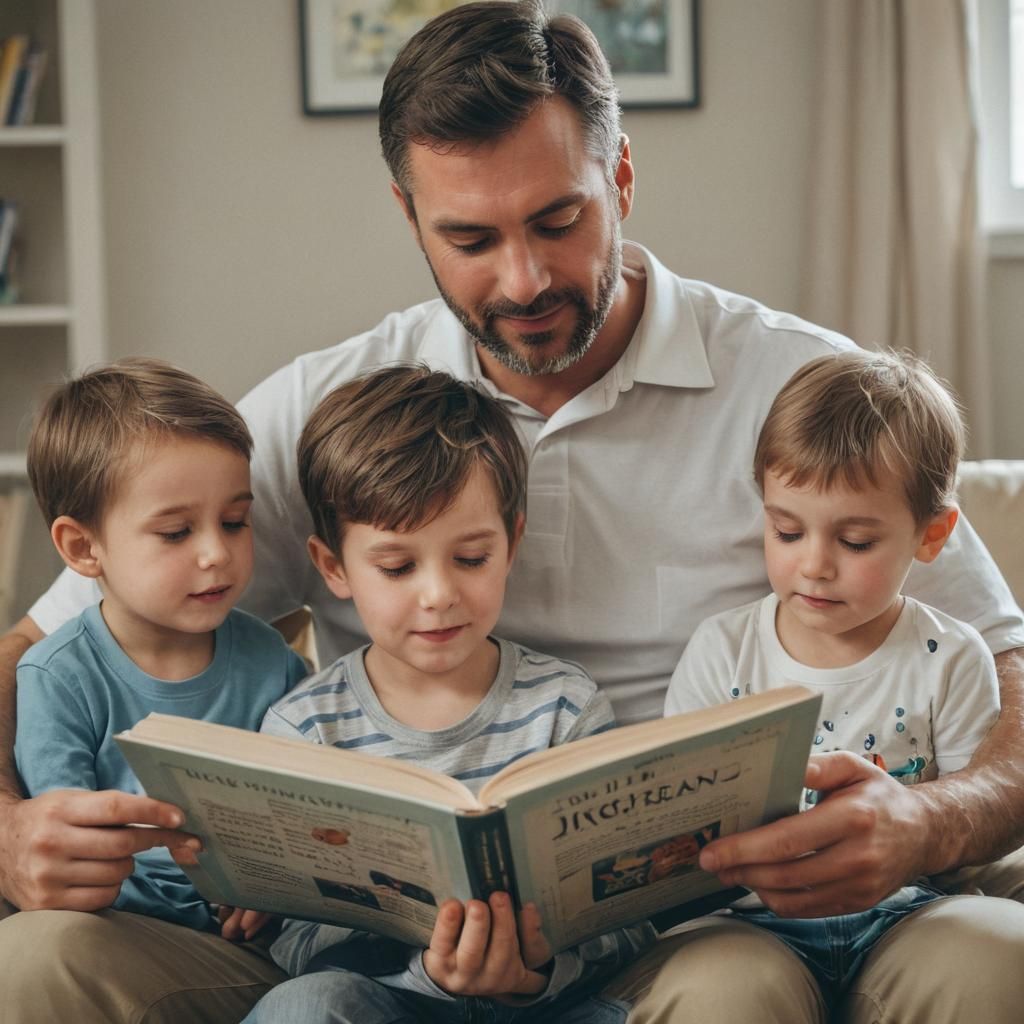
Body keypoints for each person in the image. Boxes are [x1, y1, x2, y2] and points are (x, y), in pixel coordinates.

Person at [1, 1, 1023, 1020]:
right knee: (35, 963)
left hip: (692, 926)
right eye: (469, 237)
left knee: (943, 960)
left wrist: (929, 821)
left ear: (619, 176)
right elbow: (37, 647)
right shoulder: (332, 410)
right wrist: (9, 831)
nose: (523, 278)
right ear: (408, 216)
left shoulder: (804, 390)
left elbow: (1002, 665)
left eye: (556, 220)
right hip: (381, 946)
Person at [241, 364, 652, 1023]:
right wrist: (426, 972)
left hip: (543, 1005)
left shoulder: (566, 709)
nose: (438, 595)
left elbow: (628, 916)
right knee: (306, 1005)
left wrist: (536, 966)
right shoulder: (306, 729)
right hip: (386, 1001)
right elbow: (289, 937)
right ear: (333, 568)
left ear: (512, 544)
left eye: (470, 558)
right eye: (398, 566)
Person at [664, 349, 1006, 1008]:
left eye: (854, 543)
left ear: (931, 535)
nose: (814, 566)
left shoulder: (952, 657)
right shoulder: (723, 651)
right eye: (787, 531)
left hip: (908, 915)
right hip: (748, 921)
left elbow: (964, 845)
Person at [2, 360, 308, 1009]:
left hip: (262, 947)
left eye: (234, 521)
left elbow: (300, 814)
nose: (216, 553)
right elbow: (76, 856)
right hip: (117, 935)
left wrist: (269, 887)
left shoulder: (272, 661)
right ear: (84, 550)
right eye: (176, 532)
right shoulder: (57, 677)